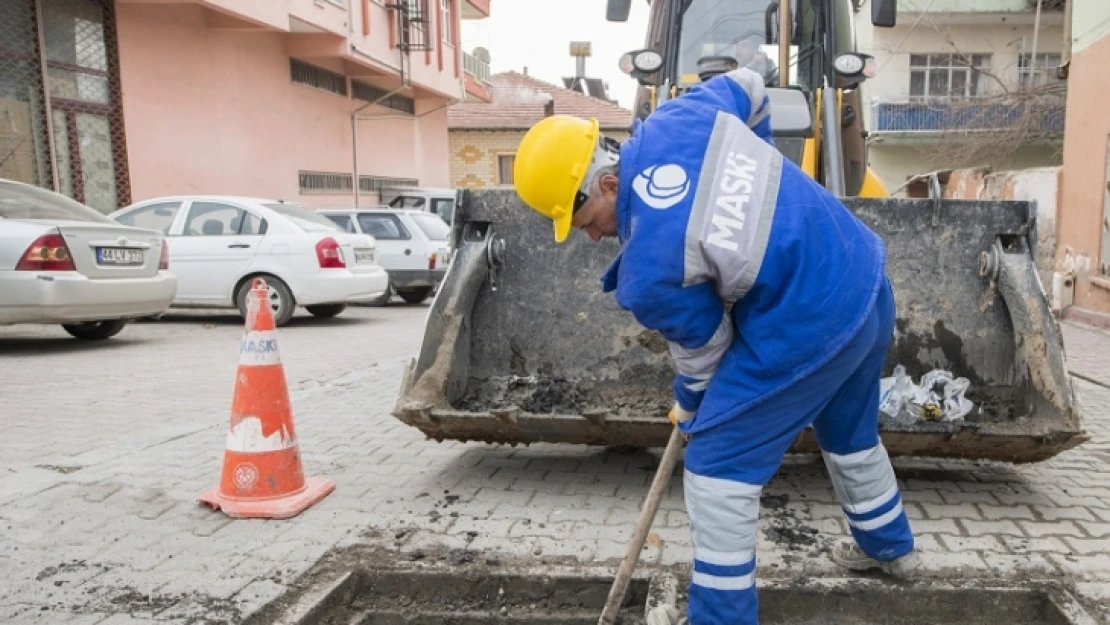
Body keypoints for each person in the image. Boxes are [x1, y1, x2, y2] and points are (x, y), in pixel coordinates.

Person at [511, 67, 920, 625]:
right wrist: (760, 169)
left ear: (607, 183)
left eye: (584, 220)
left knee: (715, 464)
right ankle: (889, 549)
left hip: (811, 322)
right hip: (865, 280)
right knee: (848, 431)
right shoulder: (679, 117)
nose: (590, 236)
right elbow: (752, 83)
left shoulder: (650, 270)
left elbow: (707, 352)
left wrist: (691, 405)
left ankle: (719, 618)